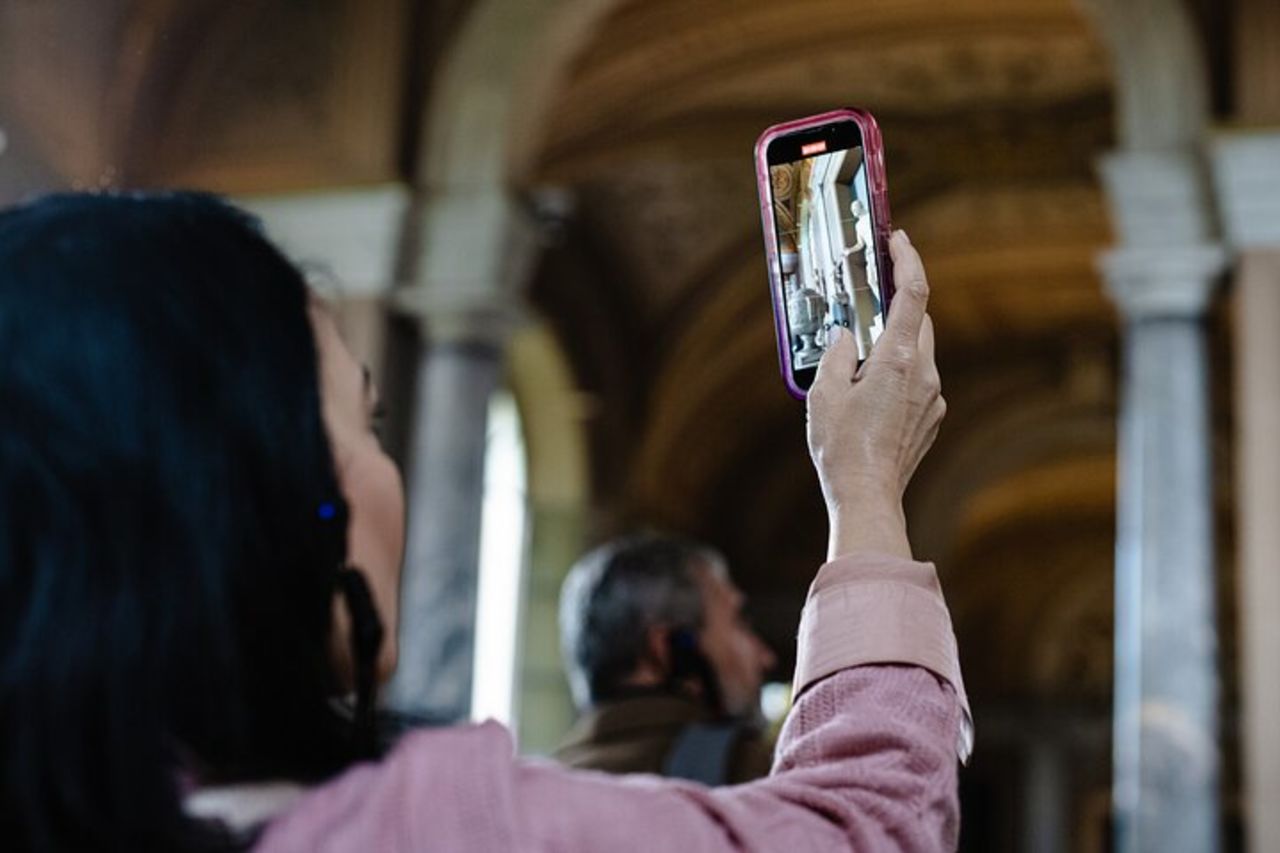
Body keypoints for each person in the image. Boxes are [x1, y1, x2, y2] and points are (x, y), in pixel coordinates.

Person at [0, 191, 968, 852]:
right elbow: (863, 830)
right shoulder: (439, 830)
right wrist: (866, 482)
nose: (757, 654)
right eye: (365, 421)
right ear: (286, 497)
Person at [555, 534, 777, 784]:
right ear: (671, 649)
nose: (766, 657)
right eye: (738, 623)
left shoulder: (528, 791)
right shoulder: (759, 775)